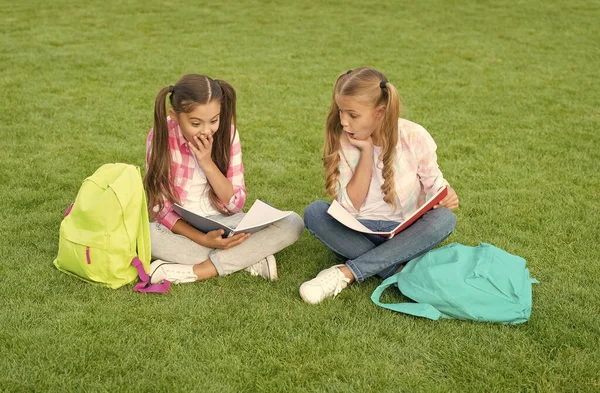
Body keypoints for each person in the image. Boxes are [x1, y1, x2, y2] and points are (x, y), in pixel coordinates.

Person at [300, 67, 459, 304]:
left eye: (352, 115)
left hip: (405, 231)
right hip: (358, 229)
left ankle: (346, 272)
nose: (343, 121)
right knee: (315, 212)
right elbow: (350, 205)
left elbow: (435, 185)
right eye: (341, 112)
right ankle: (396, 271)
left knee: (445, 219)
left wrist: (446, 195)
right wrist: (365, 152)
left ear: (380, 112)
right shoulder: (345, 141)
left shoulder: (414, 135)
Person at [144, 74, 304, 284]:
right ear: (175, 116)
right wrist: (202, 238)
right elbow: (160, 209)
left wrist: (207, 163)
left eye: (214, 120)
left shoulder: (228, 134)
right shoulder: (160, 137)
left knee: (292, 223)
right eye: (195, 123)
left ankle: (202, 270)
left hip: (224, 221)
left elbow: (235, 202)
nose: (206, 130)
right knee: (145, 234)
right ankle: (249, 257)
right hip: (180, 227)